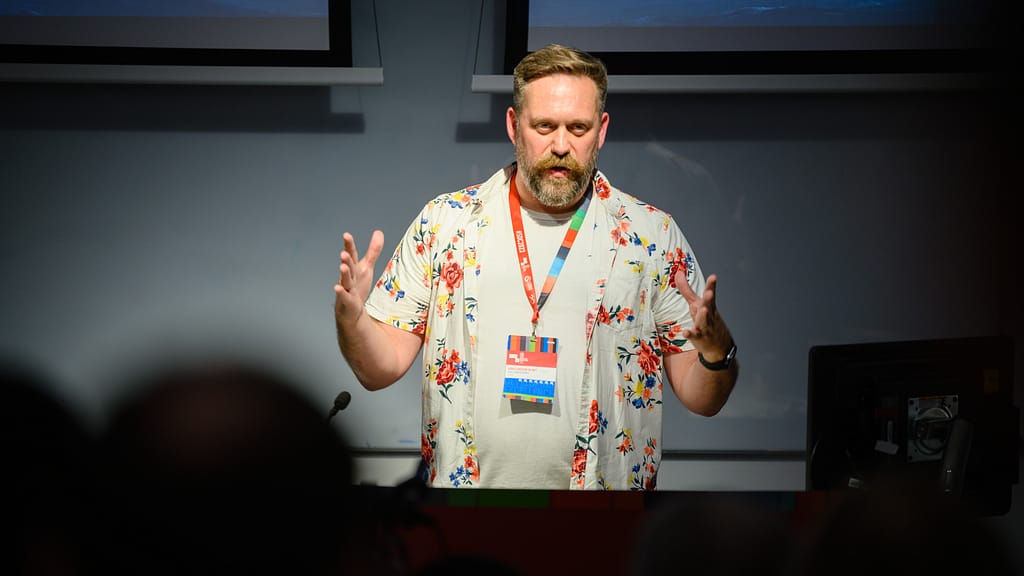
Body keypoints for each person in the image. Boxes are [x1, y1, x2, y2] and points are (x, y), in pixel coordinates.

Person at [334, 44, 738, 490]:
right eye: (544, 126)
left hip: (602, 519)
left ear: (601, 131)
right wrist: (352, 323)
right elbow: (379, 368)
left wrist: (718, 353)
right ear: (513, 125)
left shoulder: (651, 237)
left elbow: (704, 399)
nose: (561, 145)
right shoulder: (445, 224)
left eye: (578, 128)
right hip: (464, 514)